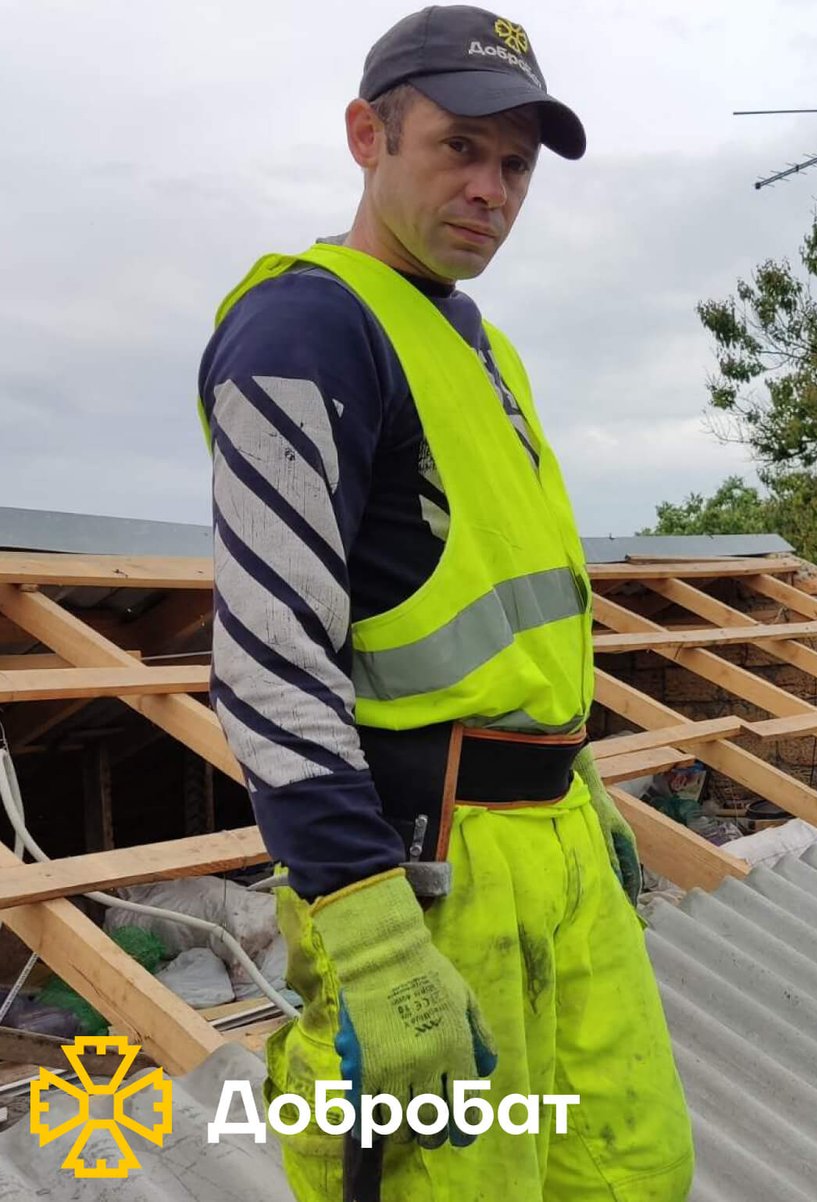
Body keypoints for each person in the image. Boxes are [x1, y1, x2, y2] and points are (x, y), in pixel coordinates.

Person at [196, 7, 694, 1197]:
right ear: (367, 135)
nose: (490, 189)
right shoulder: (304, 331)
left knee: (628, 1171)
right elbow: (269, 659)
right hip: (426, 872)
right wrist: (368, 928)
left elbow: (512, 622)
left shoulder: (480, 344)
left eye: (515, 165)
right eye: (459, 148)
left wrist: (582, 791)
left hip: (554, 844)